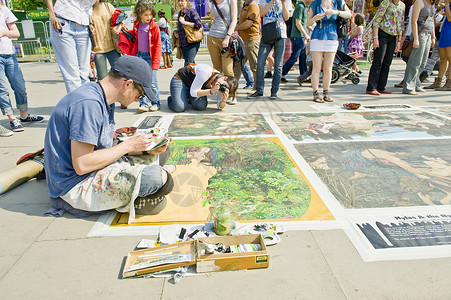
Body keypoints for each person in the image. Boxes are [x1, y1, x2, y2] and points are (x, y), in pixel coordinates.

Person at [44, 55, 174, 218]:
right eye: (139, 94)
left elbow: (103, 146)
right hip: (75, 185)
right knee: (159, 178)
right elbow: (82, 164)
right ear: (128, 84)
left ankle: (135, 191)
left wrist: (144, 150)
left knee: (162, 153)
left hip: (96, 167)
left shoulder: (102, 98)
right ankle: (77, 204)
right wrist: (129, 146)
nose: (136, 100)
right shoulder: (88, 104)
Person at [0, 5, 44, 135]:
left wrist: (3, 32)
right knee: (2, 89)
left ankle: (24, 115)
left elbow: (16, 33)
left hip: (9, 54)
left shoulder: (4, 9)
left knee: (19, 86)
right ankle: (12, 118)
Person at [45, 0, 96, 93]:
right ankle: (78, 105)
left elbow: (88, 7)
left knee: (84, 73)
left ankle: (86, 103)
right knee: (72, 74)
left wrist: (91, 22)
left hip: (84, 25)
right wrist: (51, 15)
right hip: (63, 22)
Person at [306, 0, 351, 102]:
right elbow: (307, 22)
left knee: (328, 68)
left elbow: (349, 14)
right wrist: (315, 18)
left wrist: (336, 12)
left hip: (332, 37)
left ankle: (326, 92)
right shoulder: (316, 3)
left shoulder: (338, 2)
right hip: (317, 36)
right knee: (317, 67)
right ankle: (316, 93)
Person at [248, 0, 293, 100]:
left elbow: (286, 17)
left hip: (280, 33)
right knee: (260, 62)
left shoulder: (286, 1)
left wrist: (282, 3)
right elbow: (261, 14)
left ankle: (274, 91)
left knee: (278, 65)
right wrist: (271, 2)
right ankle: (259, 90)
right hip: (267, 33)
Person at [128, 0, 162, 113]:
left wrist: (156, 63)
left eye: (150, 14)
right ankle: (143, 104)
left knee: (152, 83)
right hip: (139, 56)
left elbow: (157, 46)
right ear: (139, 14)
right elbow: (135, 36)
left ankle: (155, 102)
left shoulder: (154, 27)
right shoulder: (136, 25)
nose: (148, 17)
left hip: (150, 58)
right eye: (145, 15)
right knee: (140, 82)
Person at [365, 0, 405, 96]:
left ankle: (381, 86)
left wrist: (399, 40)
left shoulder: (402, 5)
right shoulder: (385, 2)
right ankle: (371, 87)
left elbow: (401, 23)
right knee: (378, 60)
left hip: (393, 36)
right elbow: (377, 20)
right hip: (383, 33)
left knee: (387, 62)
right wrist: (375, 38)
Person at [167, 63, 238, 112]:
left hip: (194, 87)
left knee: (201, 106)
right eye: (224, 85)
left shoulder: (220, 84)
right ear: (225, 77)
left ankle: (184, 96)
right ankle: (172, 98)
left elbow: (220, 107)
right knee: (180, 107)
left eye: (226, 88)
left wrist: (224, 100)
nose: (222, 87)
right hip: (181, 80)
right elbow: (193, 92)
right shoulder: (205, 72)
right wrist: (210, 91)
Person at [402, 0, 436, 95]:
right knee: (415, 61)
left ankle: (416, 83)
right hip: (421, 33)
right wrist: (416, 38)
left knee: (423, 61)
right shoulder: (420, 2)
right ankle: (408, 86)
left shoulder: (432, 4)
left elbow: (432, 20)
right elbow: (414, 21)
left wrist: (433, 36)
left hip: (428, 34)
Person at [233, 0, 261, 101]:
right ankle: (233, 88)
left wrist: (236, 27)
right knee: (238, 64)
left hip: (252, 40)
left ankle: (257, 88)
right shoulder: (245, 5)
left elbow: (248, 23)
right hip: (243, 40)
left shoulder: (253, 5)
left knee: (254, 65)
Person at [280, 0, 312, 84]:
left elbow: (302, 23)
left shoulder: (303, 7)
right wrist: (305, 34)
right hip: (298, 36)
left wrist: (309, 29)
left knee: (302, 57)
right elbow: (298, 23)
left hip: (299, 36)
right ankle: (281, 74)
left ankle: (303, 76)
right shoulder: (300, 7)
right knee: (295, 57)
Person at [90, 0, 122, 81]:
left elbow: (120, 21)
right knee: (103, 79)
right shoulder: (88, 9)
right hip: (98, 50)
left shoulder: (108, 6)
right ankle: (104, 94)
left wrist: (119, 26)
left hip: (113, 47)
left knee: (120, 75)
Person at [207, 0, 238, 76]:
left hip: (226, 39)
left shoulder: (231, 1)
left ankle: (231, 88)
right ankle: (219, 87)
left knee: (228, 71)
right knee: (217, 71)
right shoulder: (211, 2)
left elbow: (234, 20)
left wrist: (228, 37)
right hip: (212, 38)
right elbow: (213, 18)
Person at [426, 0, 451, 90]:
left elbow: (449, 17)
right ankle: (438, 82)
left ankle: (449, 83)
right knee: (443, 58)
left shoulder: (448, 5)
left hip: (449, 33)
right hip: (444, 32)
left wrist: (447, 4)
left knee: (449, 58)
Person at [177, 0, 203, 66]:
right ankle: (195, 75)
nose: (180, 3)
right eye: (178, 1)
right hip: (184, 42)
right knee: (190, 64)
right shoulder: (180, 13)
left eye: (182, 1)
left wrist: (185, 23)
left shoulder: (191, 11)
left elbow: (198, 25)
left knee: (188, 64)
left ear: (186, 2)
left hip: (193, 41)